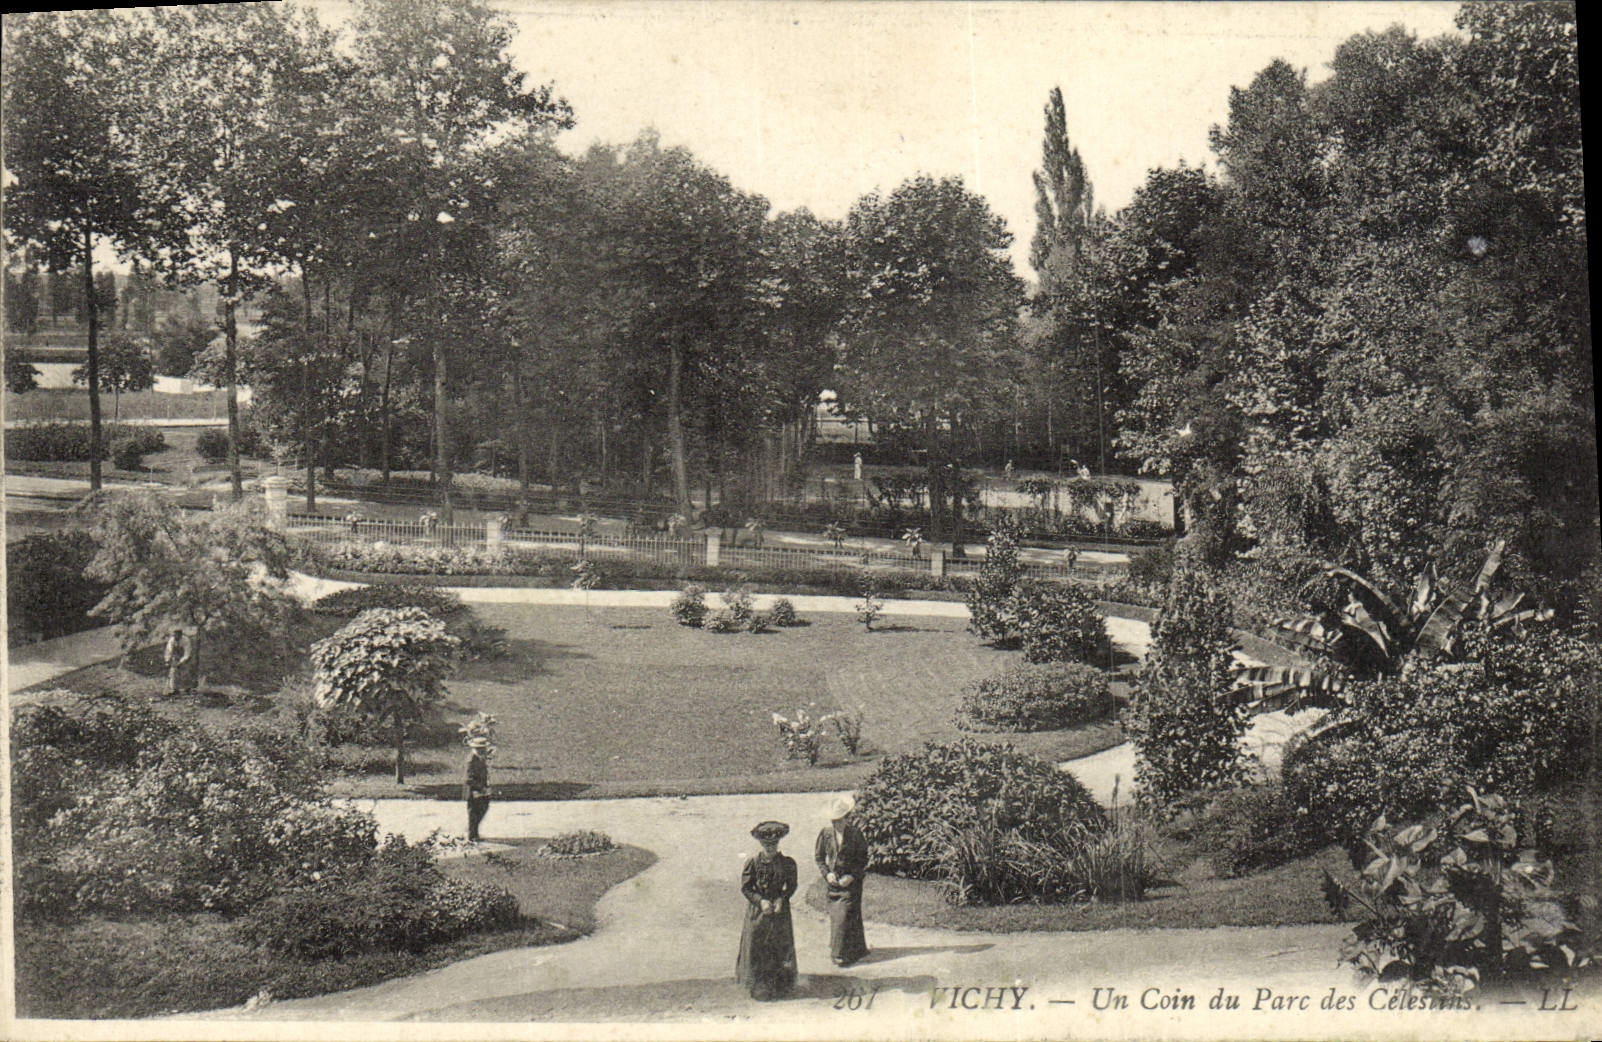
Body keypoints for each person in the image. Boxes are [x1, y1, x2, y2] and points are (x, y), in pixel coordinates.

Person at [736, 820, 798, 1000]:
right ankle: (759, 984)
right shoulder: (753, 864)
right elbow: (746, 888)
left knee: (779, 945)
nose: (770, 848)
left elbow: (792, 885)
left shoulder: (787, 863)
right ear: (761, 844)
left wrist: (782, 898)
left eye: (774, 844)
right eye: (766, 845)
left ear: (778, 844)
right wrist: (760, 900)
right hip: (758, 912)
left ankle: (780, 984)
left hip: (780, 913)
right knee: (758, 945)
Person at [814, 794, 870, 967]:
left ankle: (839, 954)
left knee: (846, 915)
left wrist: (851, 876)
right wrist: (827, 874)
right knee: (839, 916)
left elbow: (863, 859)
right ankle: (852, 949)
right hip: (833, 884)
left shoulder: (855, 834)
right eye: (833, 821)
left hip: (851, 882)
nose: (836, 824)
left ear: (846, 818)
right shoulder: (825, 834)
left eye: (839, 820)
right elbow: (819, 857)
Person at [464, 737, 493, 842]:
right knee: (474, 812)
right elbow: (469, 779)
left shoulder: (480, 758)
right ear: (475, 748)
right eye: (481, 748)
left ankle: (474, 833)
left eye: (484, 748)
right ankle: (472, 835)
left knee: (483, 808)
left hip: (481, 789)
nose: (483, 750)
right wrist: (480, 787)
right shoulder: (471, 759)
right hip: (473, 790)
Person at [163, 626, 198, 697]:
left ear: (181, 634)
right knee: (173, 672)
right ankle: (174, 689)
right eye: (175, 634)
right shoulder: (172, 640)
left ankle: (188, 689)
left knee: (186, 671)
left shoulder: (186, 640)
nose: (176, 636)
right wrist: (167, 660)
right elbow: (168, 651)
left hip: (186, 657)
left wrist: (181, 662)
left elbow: (187, 653)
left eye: (178, 635)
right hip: (176, 657)